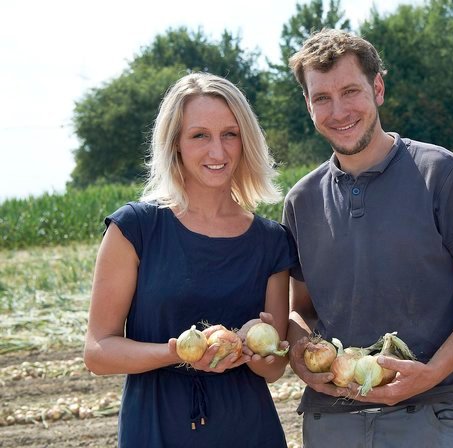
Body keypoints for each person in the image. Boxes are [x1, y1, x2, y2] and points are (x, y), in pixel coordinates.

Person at [282, 28, 453, 447]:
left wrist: (433, 371)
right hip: (331, 422)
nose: (338, 111)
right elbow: (301, 310)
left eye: (350, 91)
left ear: (378, 88)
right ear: (308, 104)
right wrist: (302, 356)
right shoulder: (302, 199)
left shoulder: (440, 174)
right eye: (321, 98)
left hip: (431, 413)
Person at [83, 72, 296, 448]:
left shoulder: (271, 241)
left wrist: (254, 348)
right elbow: (98, 351)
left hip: (249, 432)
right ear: (176, 144)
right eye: (200, 135)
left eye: (230, 134)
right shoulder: (136, 229)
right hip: (157, 431)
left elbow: (275, 367)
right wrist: (176, 351)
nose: (219, 151)